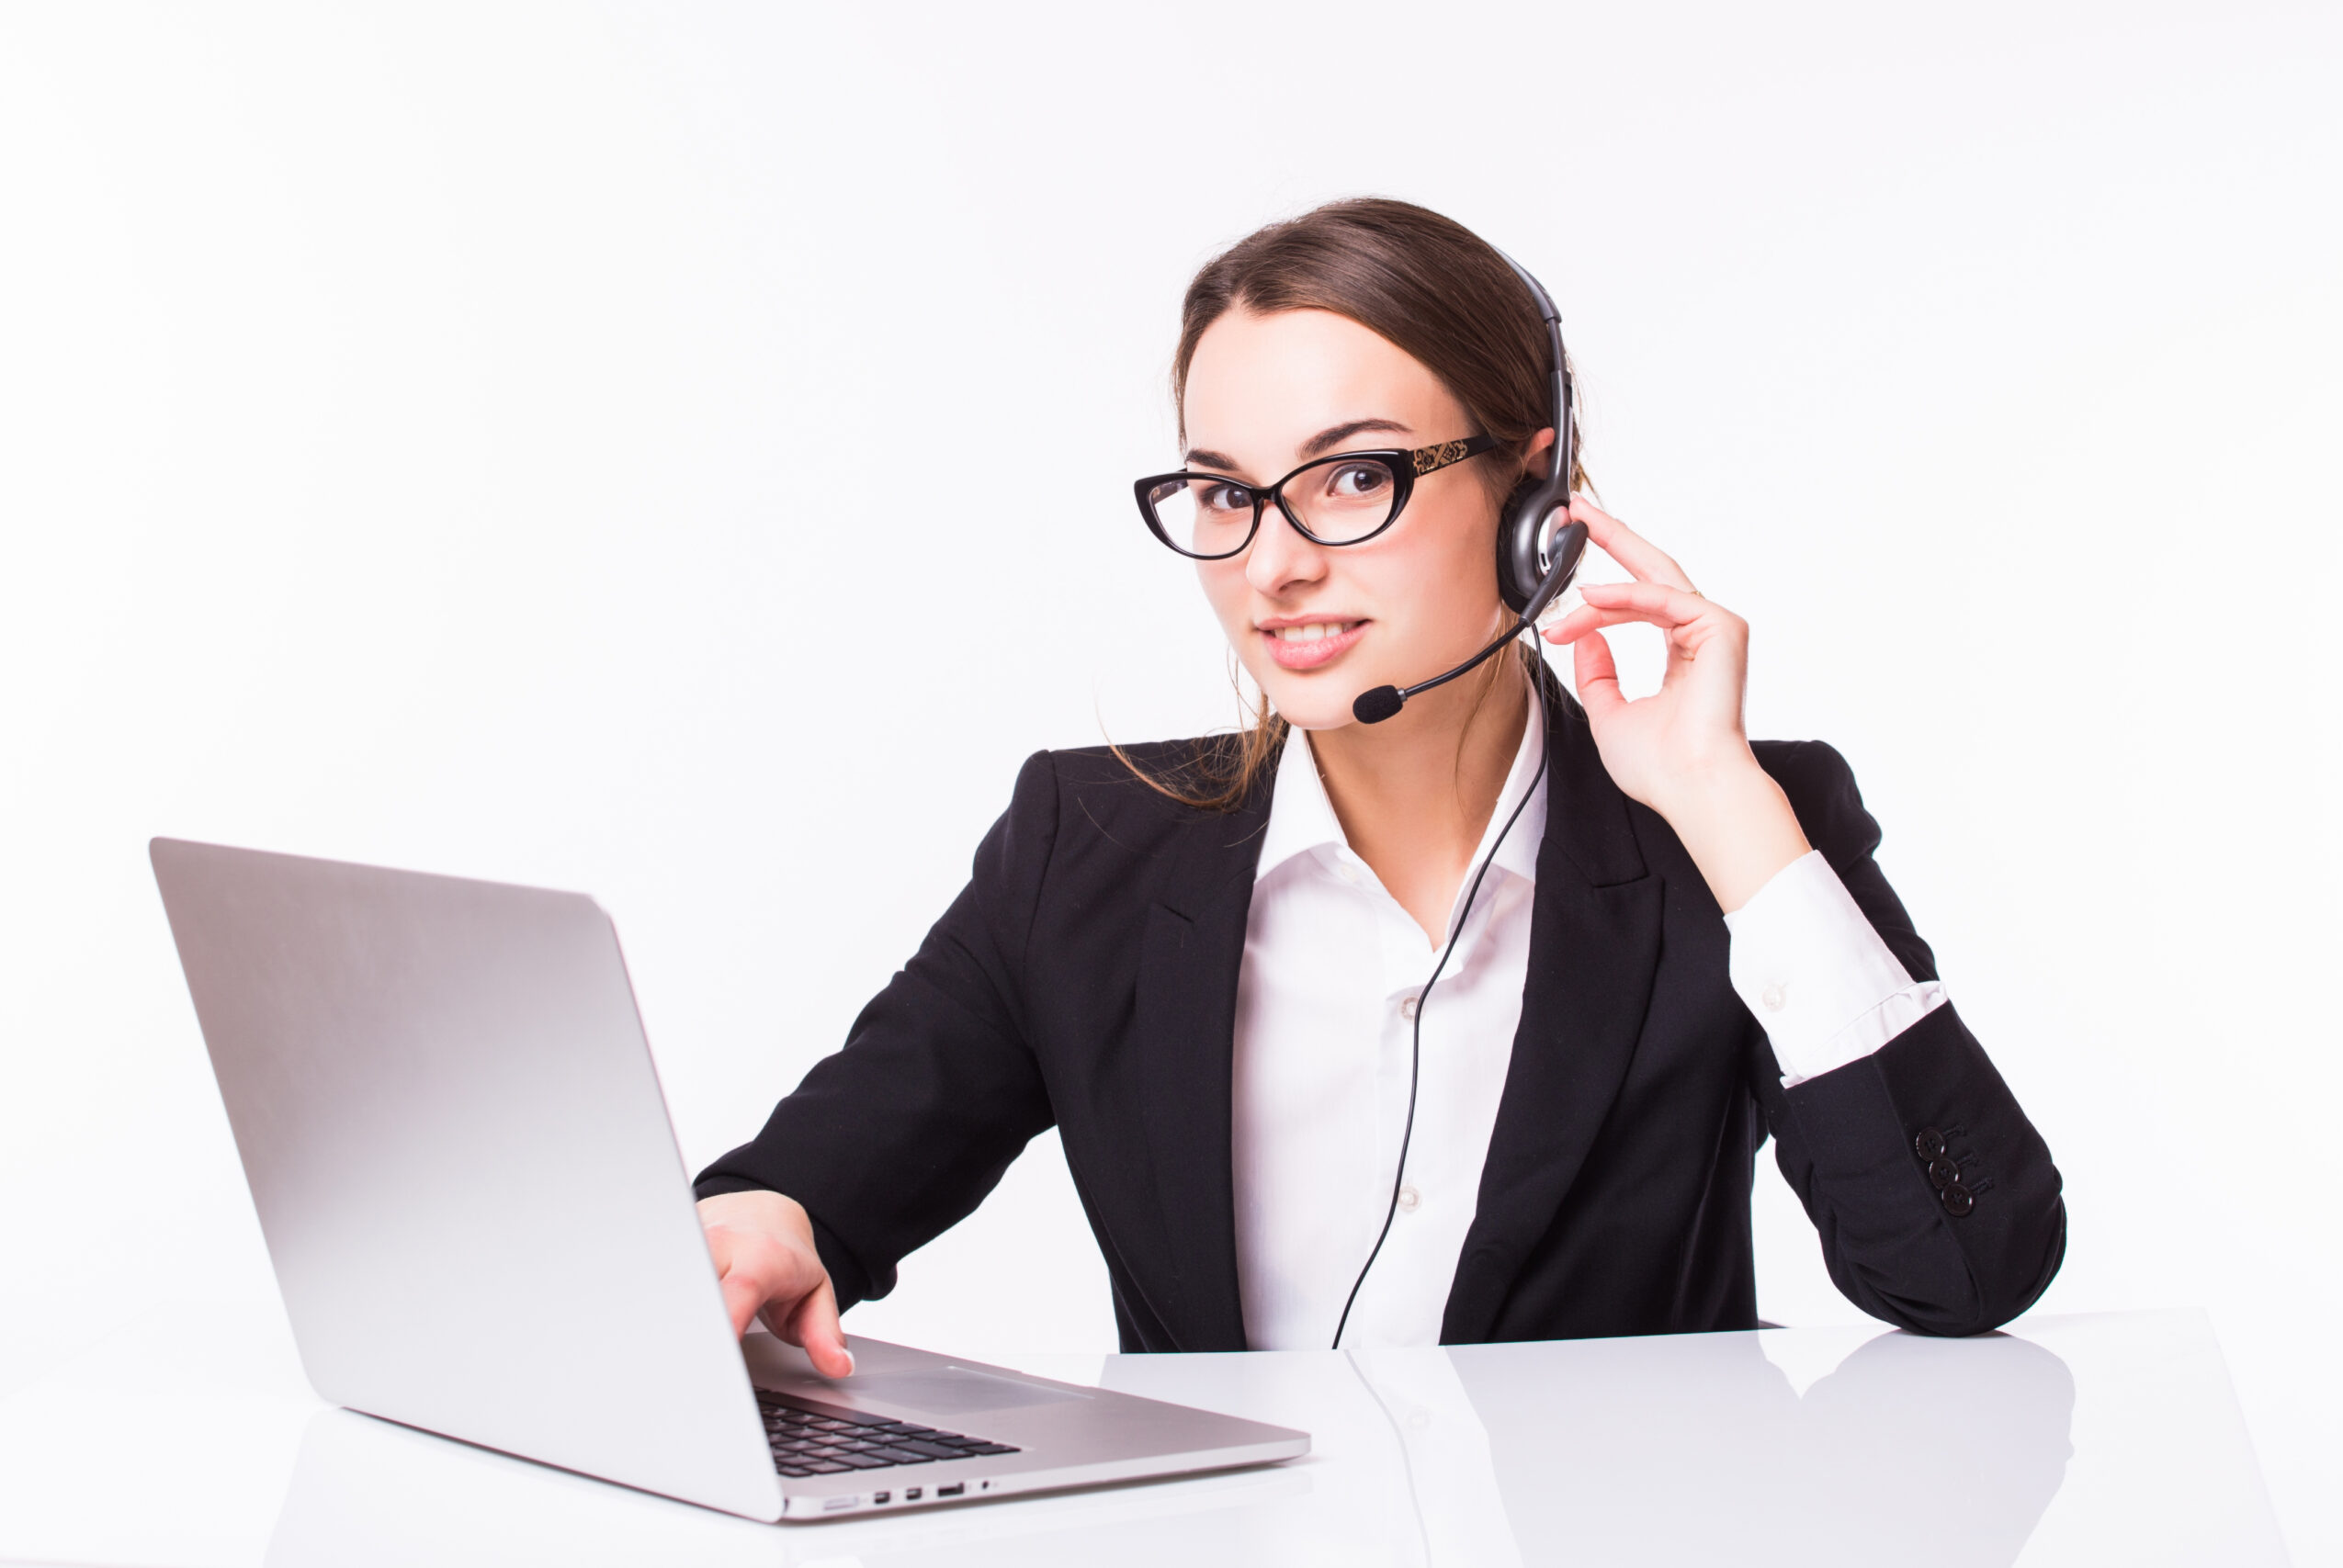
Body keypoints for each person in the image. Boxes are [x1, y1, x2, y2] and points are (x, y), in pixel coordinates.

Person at [694, 198, 2065, 1375]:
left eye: (1354, 476)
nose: (1273, 566)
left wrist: (1717, 799)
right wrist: (771, 1219)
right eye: (1224, 493)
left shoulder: (1731, 836)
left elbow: (1965, 1271)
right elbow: (813, 1182)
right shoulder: (1088, 847)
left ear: (1539, 497)